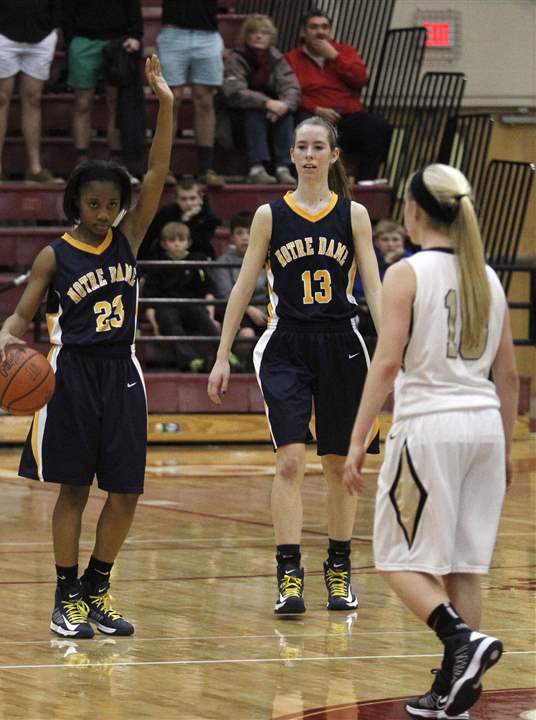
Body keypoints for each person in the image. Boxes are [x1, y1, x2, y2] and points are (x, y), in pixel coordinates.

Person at [0, 55, 173, 639]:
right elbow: (21, 315)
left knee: (127, 492)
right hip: (70, 375)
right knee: (73, 490)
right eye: (93, 204)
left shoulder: (129, 237)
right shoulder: (55, 255)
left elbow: (158, 171)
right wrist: (6, 334)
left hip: (122, 372)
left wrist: (166, 103)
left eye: (111, 204)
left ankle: (97, 587)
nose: (103, 214)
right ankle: (65, 595)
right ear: (76, 204)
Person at [342, 164, 516, 719]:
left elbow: (386, 363)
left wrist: (357, 437)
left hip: (429, 427)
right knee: (463, 566)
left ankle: (462, 640)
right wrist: (507, 446)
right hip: (484, 428)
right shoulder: (487, 277)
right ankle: (453, 690)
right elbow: (508, 376)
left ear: (415, 211)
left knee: (395, 558)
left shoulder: (408, 272)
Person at [207, 116, 383, 615]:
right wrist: (221, 355)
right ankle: (288, 575)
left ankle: (339, 568)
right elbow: (243, 286)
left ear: (333, 155)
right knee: (289, 461)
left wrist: (395, 350)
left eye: (318, 147)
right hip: (285, 344)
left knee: (338, 464)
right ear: (291, 155)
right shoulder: (270, 215)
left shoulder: (354, 215)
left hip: (341, 343)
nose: (309, 154)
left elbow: (374, 287)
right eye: (301, 147)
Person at [285, 8, 391, 182]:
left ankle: (365, 182)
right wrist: (315, 109)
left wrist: (335, 57)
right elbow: (288, 93)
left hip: (347, 115)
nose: (320, 32)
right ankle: (306, 183)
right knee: (303, 125)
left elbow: (361, 79)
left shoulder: (345, 52)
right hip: (313, 115)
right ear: (303, 32)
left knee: (378, 126)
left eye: (325, 27)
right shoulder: (292, 58)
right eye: (314, 27)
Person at [0, 0, 58, 183]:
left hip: (41, 33)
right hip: (0, 33)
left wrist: (54, 28)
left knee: (33, 99)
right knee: (0, 98)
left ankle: (35, 168)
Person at [61, 0, 142, 177]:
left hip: (116, 42)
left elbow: (133, 6)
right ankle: (81, 161)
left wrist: (136, 35)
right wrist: (71, 40)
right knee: (82, 103)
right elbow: (66, 10)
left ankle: (116, 161)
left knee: (115, 104)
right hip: (83, 40)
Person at [221, 14, 299, 185]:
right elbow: (235, 92)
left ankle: (283, 168)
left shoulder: (277, 59)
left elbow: (292, 87)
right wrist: (267, 103)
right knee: (254, 112)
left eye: (264, 33)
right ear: (246, 36)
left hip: (271, 114)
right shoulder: (235, 58)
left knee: (286, 115)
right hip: (237, 118)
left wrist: (284, 106)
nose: (259, 36)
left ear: (271, 37)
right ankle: (257, 168)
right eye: (254, 32)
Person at [158, 0, 224, 188]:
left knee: (205, 101)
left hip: (207, 33)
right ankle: (162, 168)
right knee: (171, 100)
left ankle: (206, 168)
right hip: (173, 33)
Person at [142, 221, 219, 371]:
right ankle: (191, 361)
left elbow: (208, 291)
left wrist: (211, 317)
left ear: (189, 243)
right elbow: (149, 300)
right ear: (164, 244)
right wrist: (155, 326)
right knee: (168, 318)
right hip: (166, 309)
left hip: (192, 307)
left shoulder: (197, 261)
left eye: (181, 240)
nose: (177, 244)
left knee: (199, 312)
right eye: (172, 240)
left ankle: (226, 355)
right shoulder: (156, 264)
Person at [211, 211, 267, 365]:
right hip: (237, 311)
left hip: (265, 310)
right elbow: (225, 294)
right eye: (239, 233)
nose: (245, 237)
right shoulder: (223, 262)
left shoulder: (268, 258)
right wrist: (249, 309)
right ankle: (241, 367)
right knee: (247, 335)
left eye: (249, 232)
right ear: (231, 237)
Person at [142, 176, 220, 259]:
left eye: (192, 198)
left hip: (197, 256)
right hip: (166, 257)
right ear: (176, 199)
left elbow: (201, 243)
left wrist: (187, 221)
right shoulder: (165, 213)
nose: (188, 203)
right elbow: (151, 238)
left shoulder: (208, 217)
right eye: (183, 199)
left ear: (200, 198)